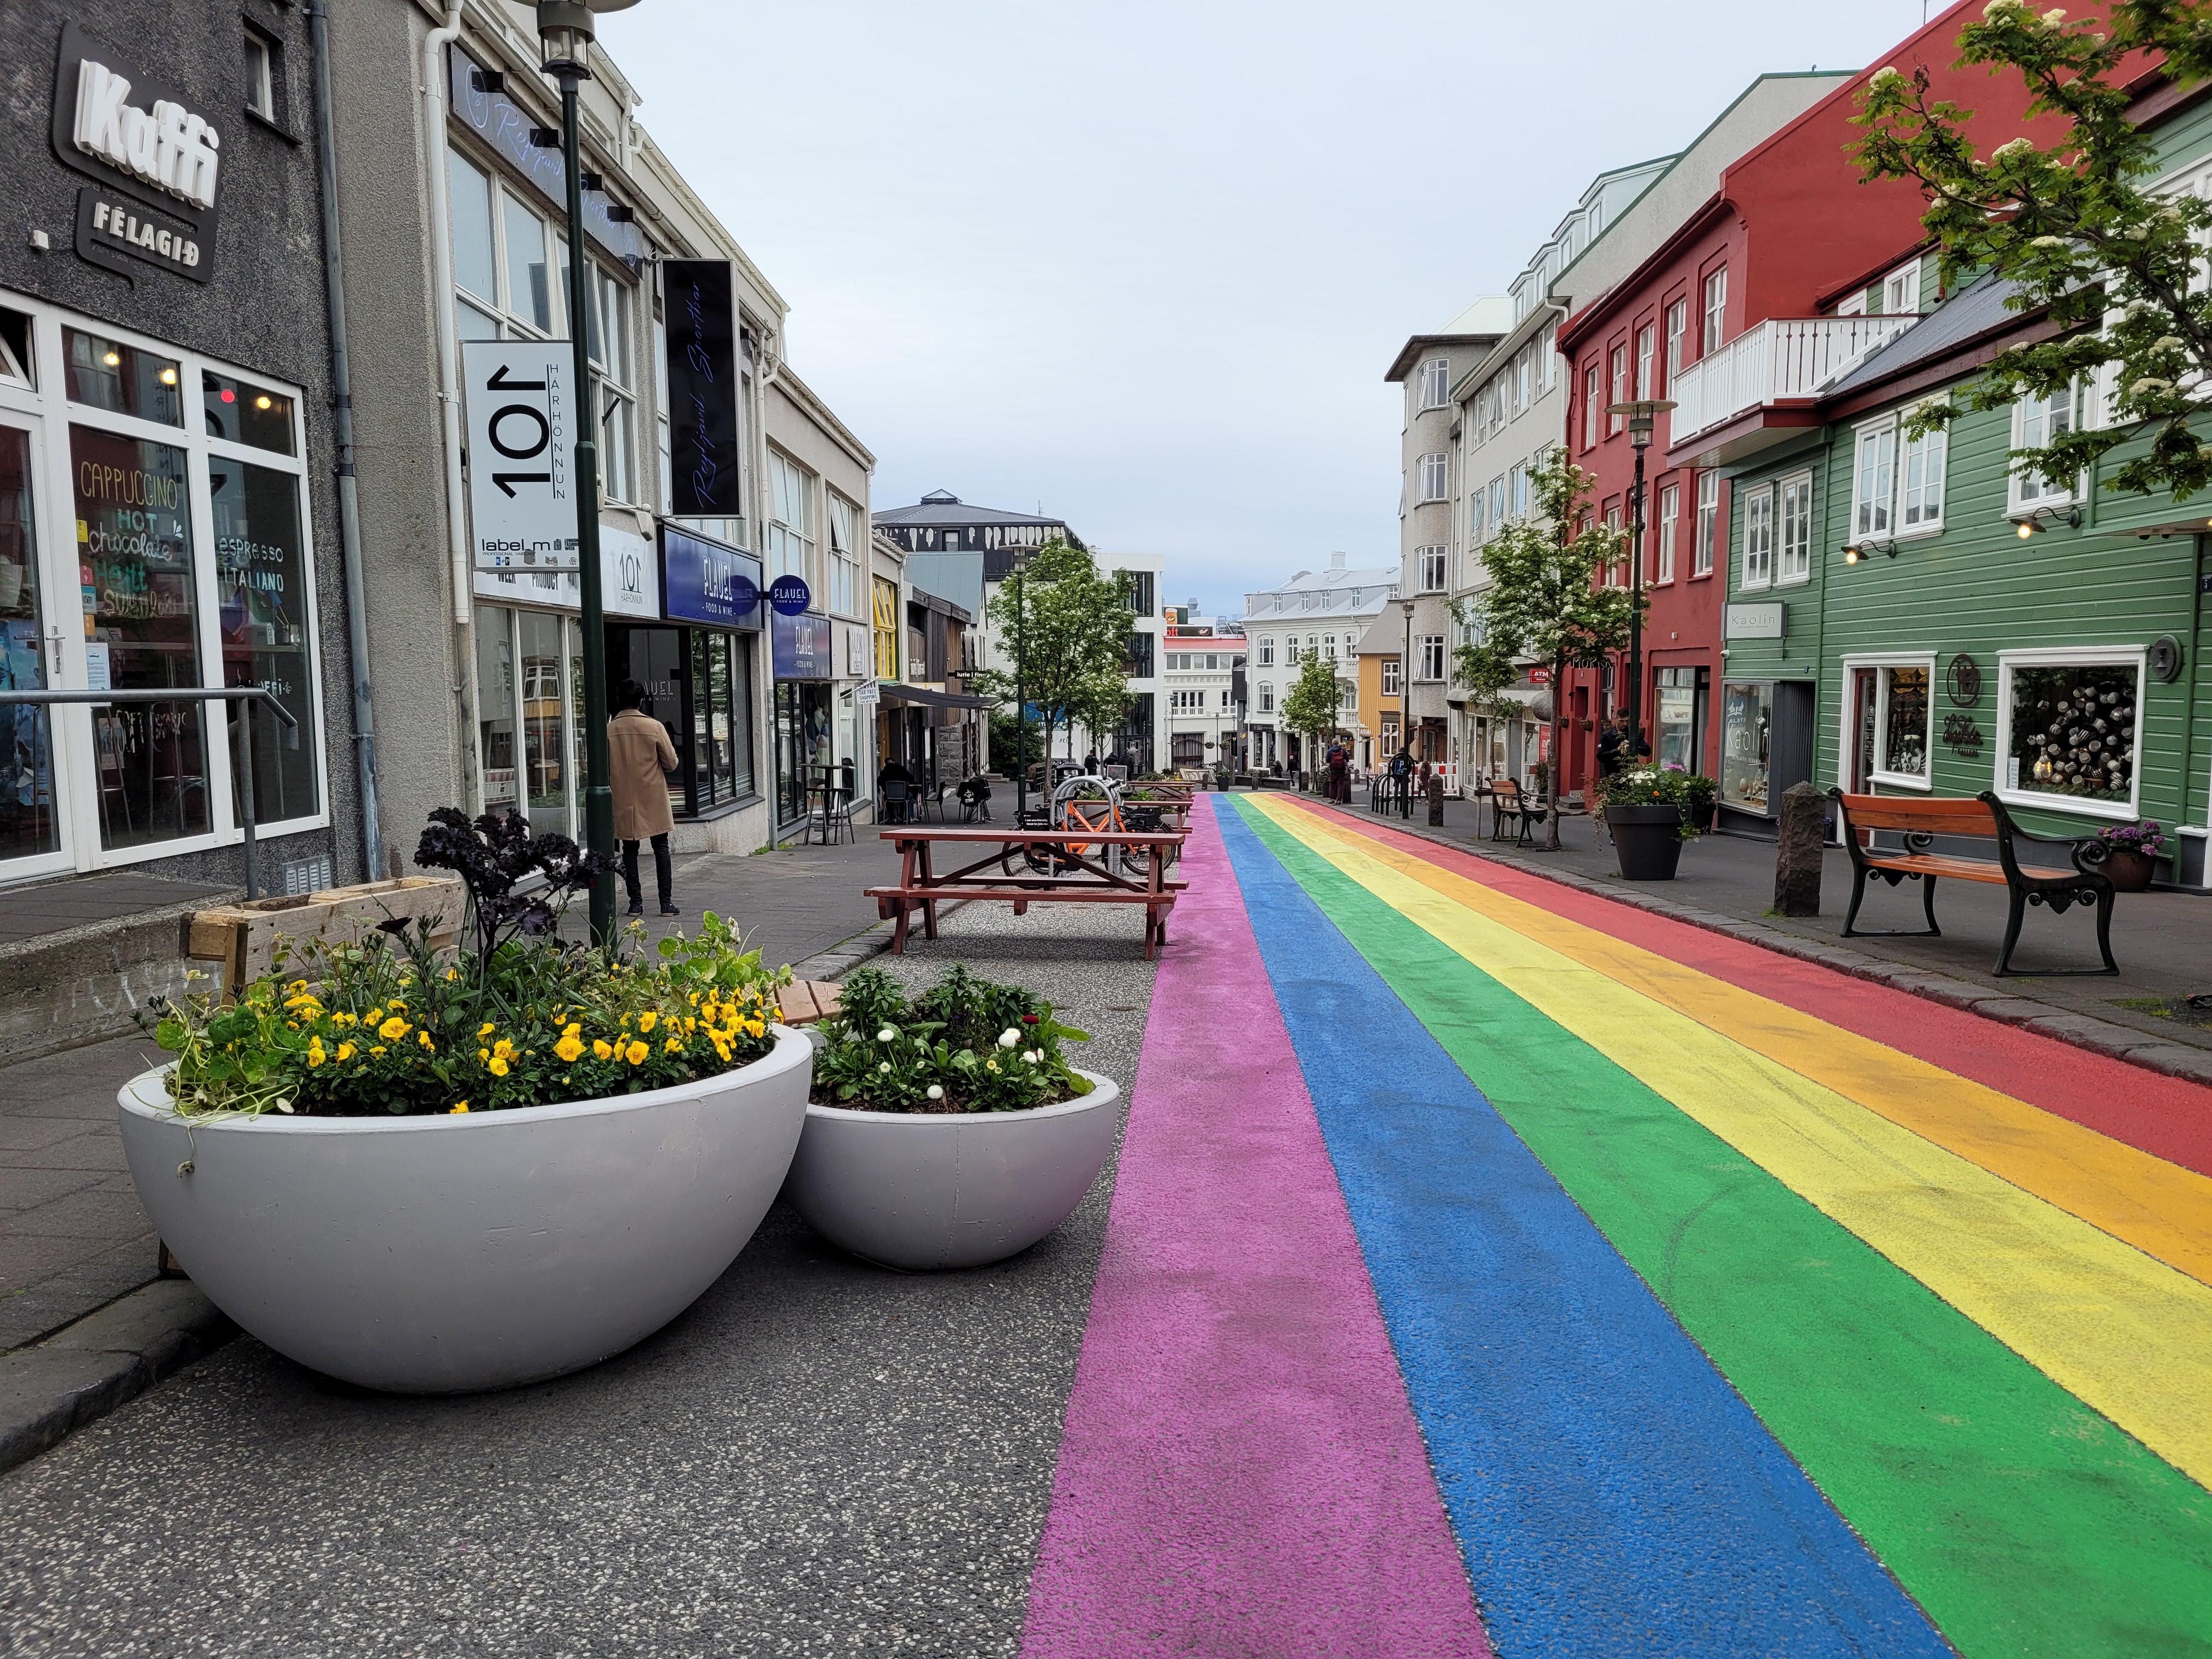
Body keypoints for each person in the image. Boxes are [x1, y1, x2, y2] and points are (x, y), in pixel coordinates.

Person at [608, 678, 679, 918]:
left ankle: (635, 903)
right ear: (641, 701)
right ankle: (666, 903)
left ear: (619, 700)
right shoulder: (654, 727)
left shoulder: (609, 730)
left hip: (623, 796)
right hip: (653, 795)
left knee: (629, 849)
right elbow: (671, 763)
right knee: (661, 847)